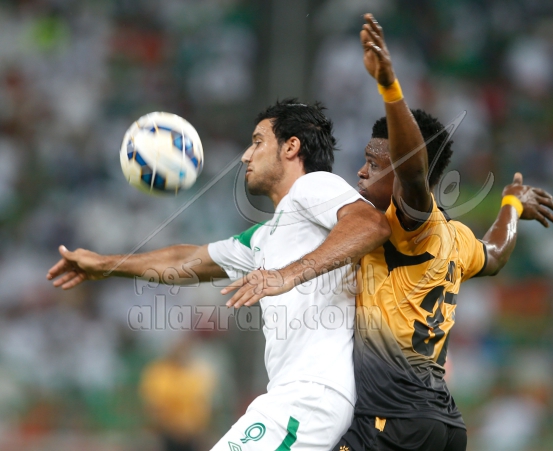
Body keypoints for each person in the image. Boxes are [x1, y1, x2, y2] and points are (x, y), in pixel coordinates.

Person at [47, 99, 392, 450]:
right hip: (298, 399)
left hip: (309, 398)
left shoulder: (313, 185)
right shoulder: (263, 237)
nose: (246, 156)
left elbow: (371, 224)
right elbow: (187, 259)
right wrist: (105, 264)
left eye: (257, 142)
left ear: (291, 147)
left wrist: (288, 275)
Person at [332, 14, 553, 451]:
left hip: (394, 420)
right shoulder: (457, 239)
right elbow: (495, 253)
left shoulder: (413, 225)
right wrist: (512, 206)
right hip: (443, 424)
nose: (361, 172)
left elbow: (413, 172)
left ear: (403, 175)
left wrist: (388, 85)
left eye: (374, 164)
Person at [140, 337, 216, 451]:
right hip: (167, 431)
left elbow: (201, 404)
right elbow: (155, 405)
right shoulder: (159, 373)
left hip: (191, 433)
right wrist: (174, 425)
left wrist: (191, 426)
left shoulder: (194, 374)